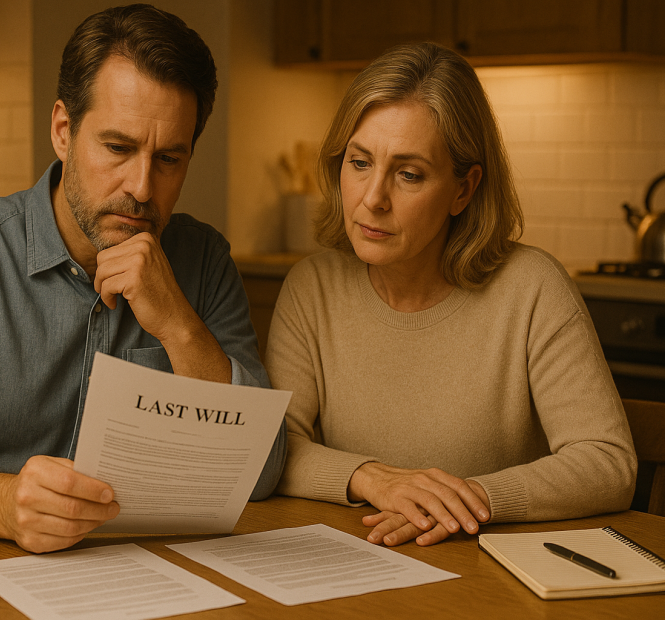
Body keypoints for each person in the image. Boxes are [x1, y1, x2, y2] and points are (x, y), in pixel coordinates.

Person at [0, 4, 285, 553]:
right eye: (118, 148)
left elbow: (263, 472)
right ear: (63, 131)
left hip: (152, 572)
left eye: (170, 158)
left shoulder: (205, 260)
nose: (142, 188)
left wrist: (178, 326)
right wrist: (1, 503)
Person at [266, 42, 636, 548]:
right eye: (360, 162)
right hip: (359, 557)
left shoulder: (533, 288)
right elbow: (273, 447)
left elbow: (607, 461)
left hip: (490, 570)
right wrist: (373, 479)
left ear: (464, 189)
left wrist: (470, 499)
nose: (373, 198)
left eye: (409, 174)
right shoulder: (311, 287)